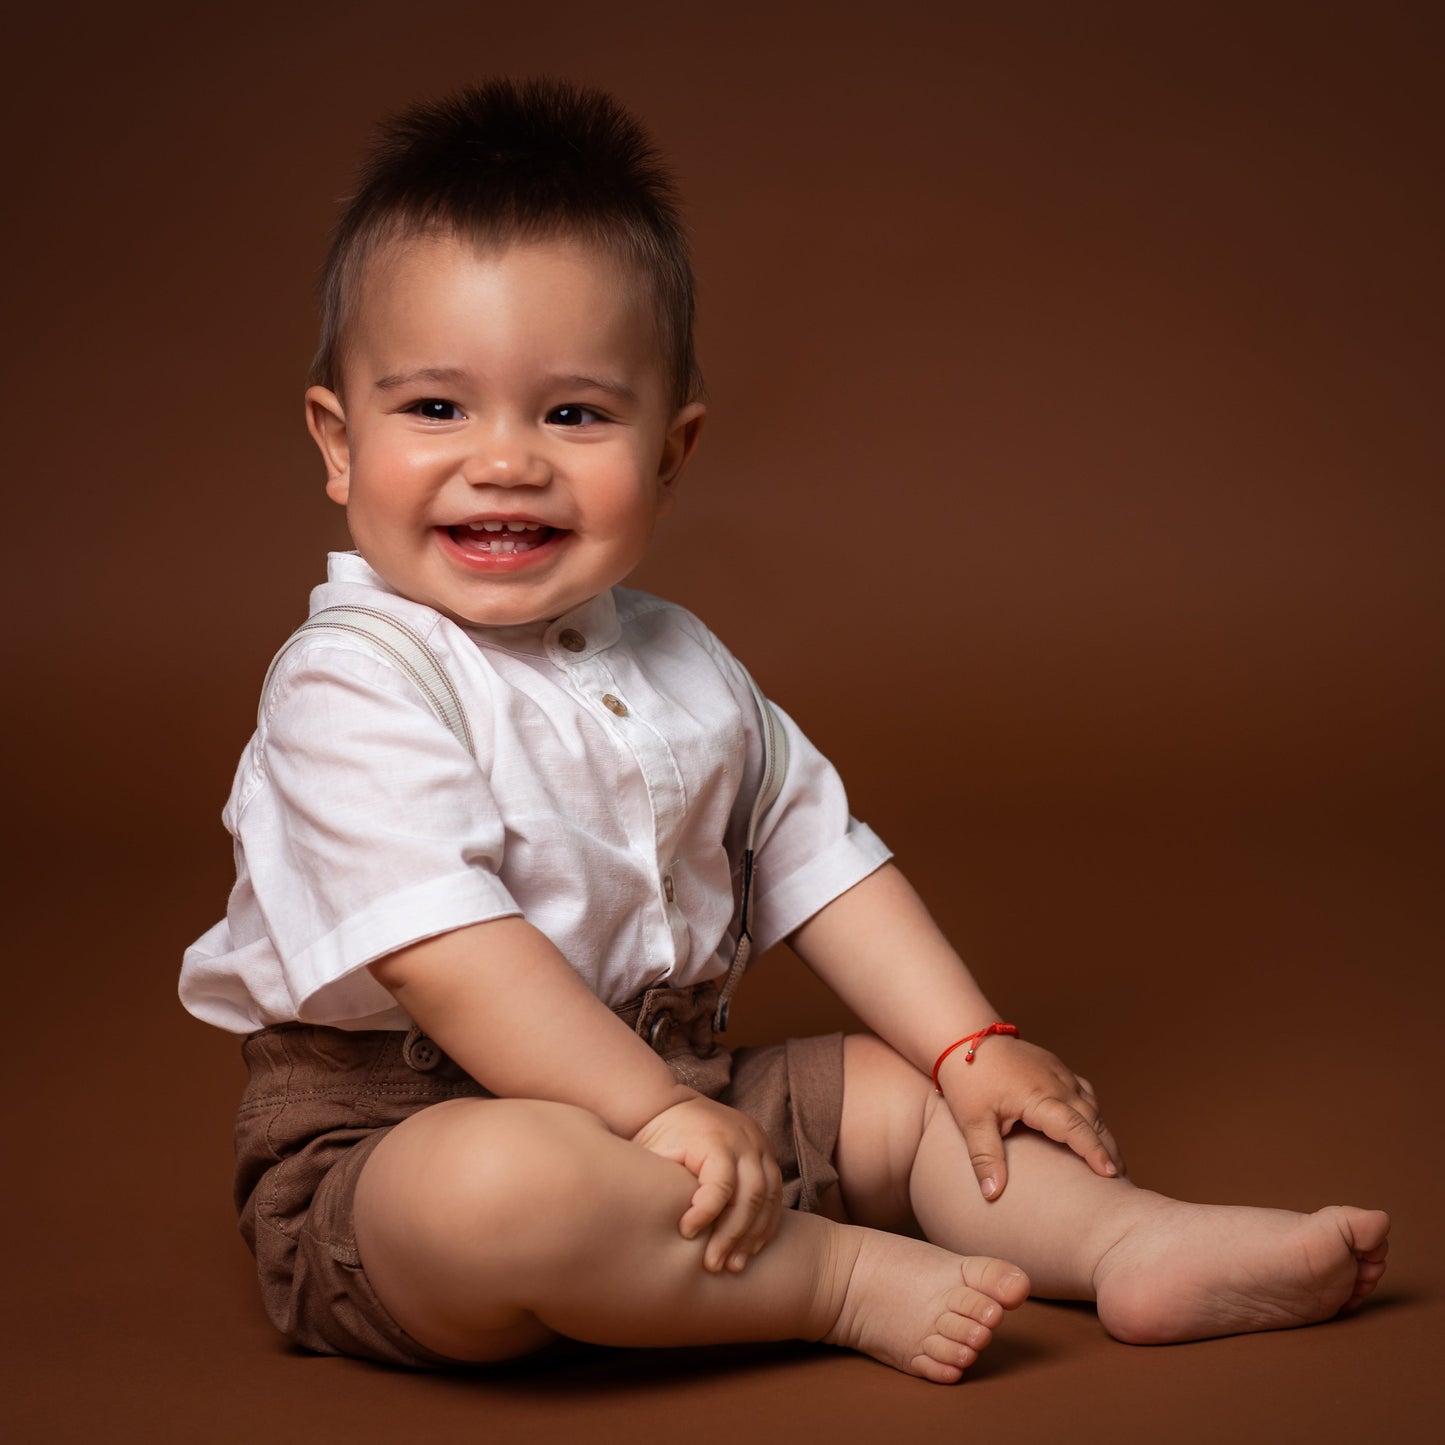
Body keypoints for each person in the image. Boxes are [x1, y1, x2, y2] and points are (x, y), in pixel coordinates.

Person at [181, 78, 1388, 1383]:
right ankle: (837, 1275)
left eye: (573, 412)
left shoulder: (682, 659)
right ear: (336, 439)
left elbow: (821, 855)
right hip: (393, 1152)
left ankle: (1129, 1243)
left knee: (897, 1093)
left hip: (677, 1091)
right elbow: (450, 960)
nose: (506, 459)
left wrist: (967, 1042)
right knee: (500, 1185)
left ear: (670, 451)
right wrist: (641, 1114)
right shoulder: (349, 680)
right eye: (435, 409)